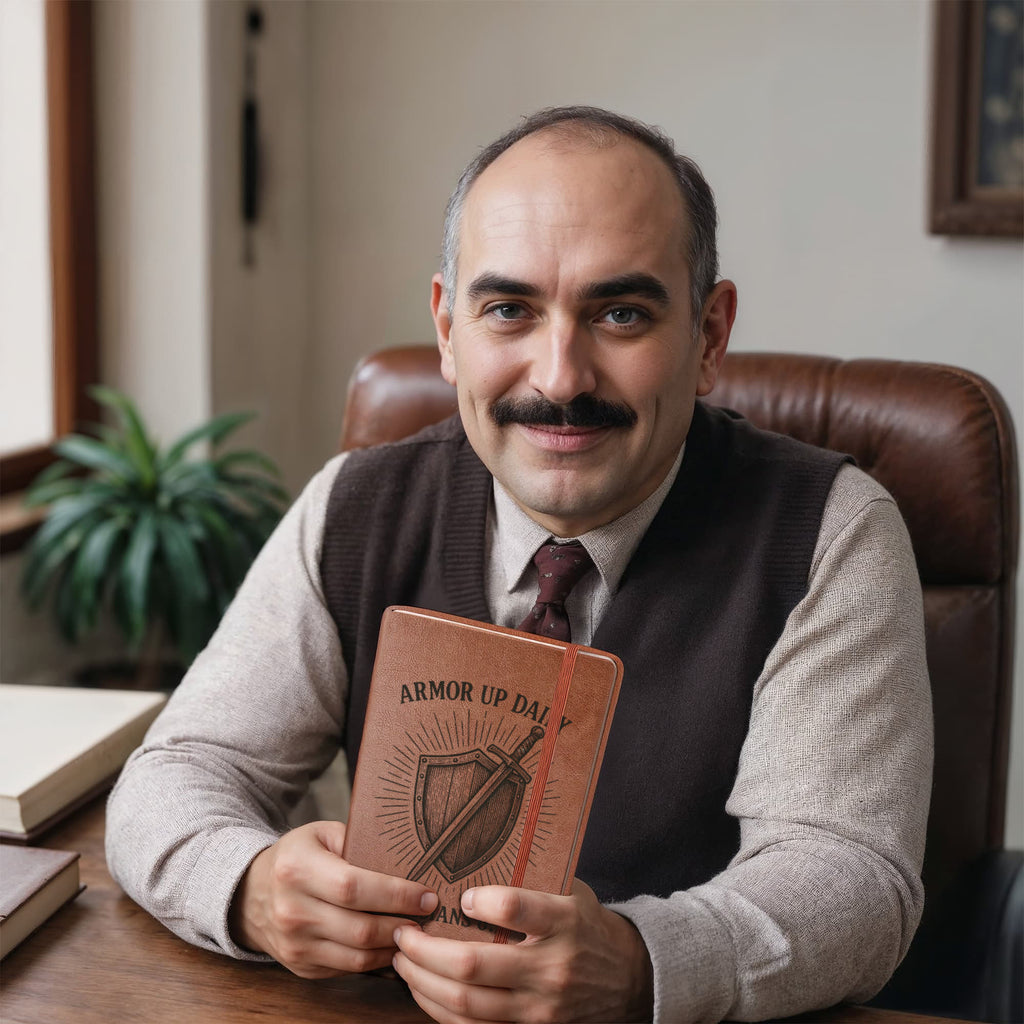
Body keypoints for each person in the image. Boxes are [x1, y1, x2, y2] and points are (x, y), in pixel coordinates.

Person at [106, 106, 932, 1023]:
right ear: (448, 328)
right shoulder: (355, 505)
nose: (560, 377)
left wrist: (642, 964)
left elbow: (852, 879)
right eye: (509, 309)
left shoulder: (829, 530)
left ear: (708, 334)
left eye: (621, 312)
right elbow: (173, 778)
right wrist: (250, 885)